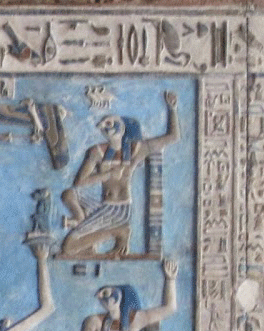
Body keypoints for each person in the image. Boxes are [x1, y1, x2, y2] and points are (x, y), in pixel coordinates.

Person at [60, 92, 179, 257]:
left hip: (119, 209)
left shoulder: (136, 150)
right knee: (68, 194)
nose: (103, 126)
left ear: (122, 128)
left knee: (68, 248)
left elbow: (173, 137)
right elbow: (79, 182)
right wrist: (107, 175)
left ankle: (117, 231)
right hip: (104, 204)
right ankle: (84, 224)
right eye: (103, 124)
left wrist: (172, 109)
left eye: (109, 123)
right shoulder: (97, 152)